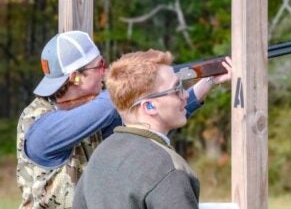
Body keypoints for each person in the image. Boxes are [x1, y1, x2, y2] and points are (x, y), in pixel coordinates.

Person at [16, 31, 231, 209]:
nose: (106, 71)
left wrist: (206, 82)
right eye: (100, 66)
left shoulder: (91, 111)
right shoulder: (40, 128)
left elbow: (148, 119)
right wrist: (147, 78)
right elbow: (126, 101)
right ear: (75, 77)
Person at [73, 49, 225, 209]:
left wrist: (210, 81)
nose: (185, 95)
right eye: (176, 89)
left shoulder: (100, 155)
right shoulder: (167, 168)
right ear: (150, 106)